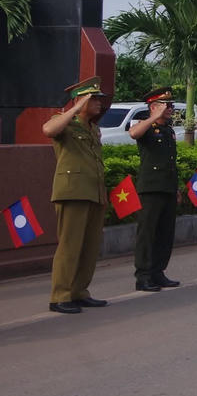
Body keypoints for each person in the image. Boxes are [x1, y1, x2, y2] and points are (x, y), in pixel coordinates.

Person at [43, 76, 110, 314]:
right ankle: (60, 295)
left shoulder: (93, 128)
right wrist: (77, 108)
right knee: (70, 246)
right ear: (81, 101)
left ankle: (79, 292)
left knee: (89, 247)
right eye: (95, 99)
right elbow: (49, 130)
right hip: (73, 192)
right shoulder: (65, 123)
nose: (100, 103)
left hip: (94, 192)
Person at [129, 86, 180, 292]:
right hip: (150, 189)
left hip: (167, 187)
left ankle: (158, 272)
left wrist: (176, 188)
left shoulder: (168, 130)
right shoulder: (146, 127)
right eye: (166, 105)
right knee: (147, 234)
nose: (170, 108)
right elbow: (133, 133)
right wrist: (152, 117)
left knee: (165, 234)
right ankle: (143, 275)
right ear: (153, 107)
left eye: (171, 105)